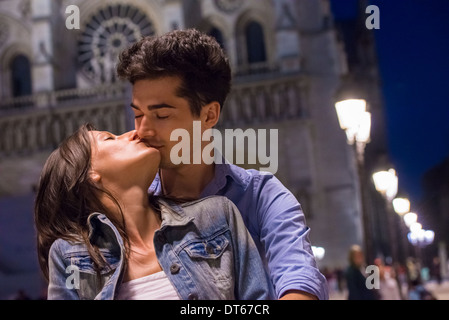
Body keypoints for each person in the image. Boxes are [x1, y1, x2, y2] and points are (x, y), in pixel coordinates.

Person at [116, 28, 328, 300]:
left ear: (209, 115)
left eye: (162, 115)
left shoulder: (260, 196)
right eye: (137, 114)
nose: (143, 129)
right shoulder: (127, 205)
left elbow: (298, 276)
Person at [34, 124, 272, 300]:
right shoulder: (70, 256)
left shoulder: (217, 216)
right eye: (110, 138)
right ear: (90, 176)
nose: (134, 133)